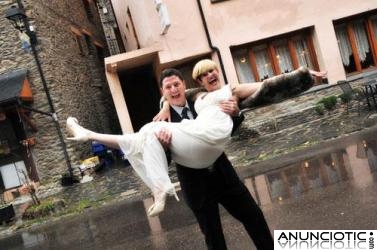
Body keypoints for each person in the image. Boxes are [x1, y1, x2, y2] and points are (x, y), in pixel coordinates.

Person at [154, 59, 327, 250]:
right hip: (197, 187)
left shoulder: (202, 101)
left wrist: (235, 115)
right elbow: (164, 159)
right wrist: (164, 147)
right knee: (214, 239)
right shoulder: (162, 120)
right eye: (168, 87)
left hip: (224, 177)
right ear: (163, 91)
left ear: (184, 85)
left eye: (176, 84)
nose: (173, 90)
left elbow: (228, 129)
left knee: (254, 217)